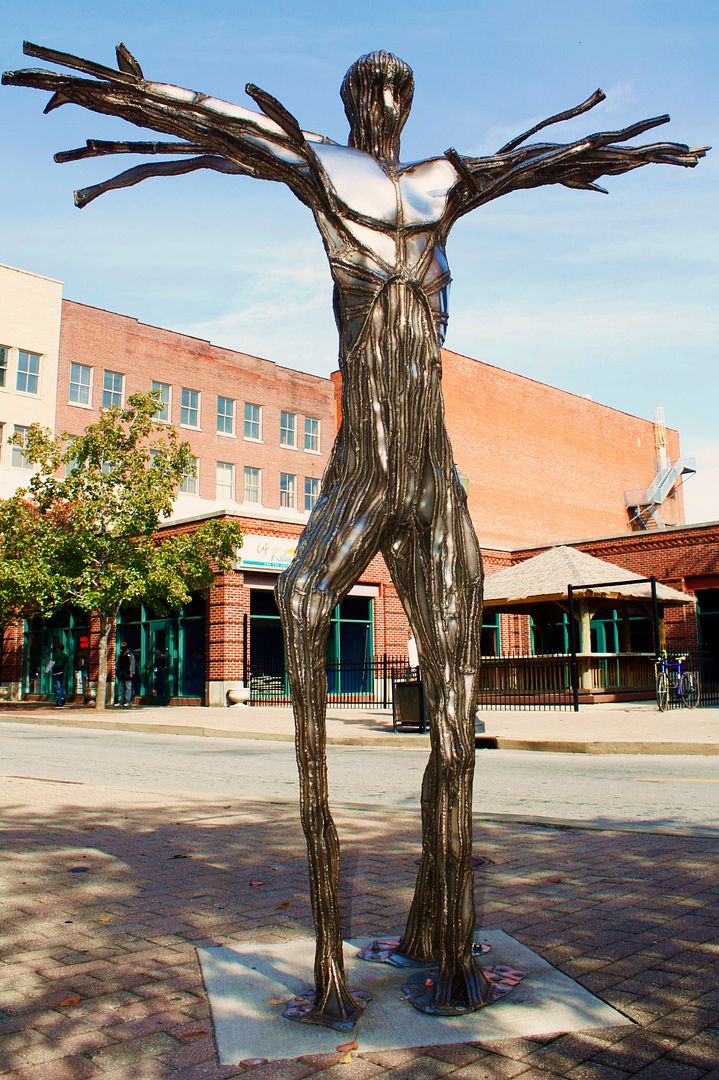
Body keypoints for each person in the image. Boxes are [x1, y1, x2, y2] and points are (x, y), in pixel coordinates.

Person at [3, 42, 707, 1026]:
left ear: (408, 100)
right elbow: (219, 123)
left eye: (394, 85)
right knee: (298, 608)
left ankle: (445, 937)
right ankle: (329, 963)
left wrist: (622, 146)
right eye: (367, 86)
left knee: (455, 718)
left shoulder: (443, 182)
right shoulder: (323, 169)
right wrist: (126, 91)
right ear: (348, 99)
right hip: (361, 470)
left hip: (433, 472)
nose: (381, 98)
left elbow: (537, 158)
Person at [114, 641, 135, 708]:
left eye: (124, 647)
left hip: (127, 673)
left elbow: (132, 664)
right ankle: (120, 701)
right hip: (121, 673)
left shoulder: (130, 655)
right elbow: (117, 664)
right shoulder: (120, 655)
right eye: (122, 648)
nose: (123, 649)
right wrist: (117, 671)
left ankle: (127, 701)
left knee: (128, 688)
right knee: (120, 688)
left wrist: (131, 672)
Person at [50, 638, 66, 707]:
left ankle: (59, 701)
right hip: (62, 671)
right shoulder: (64, 655)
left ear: (58, 648)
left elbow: (51, 663)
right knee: (62, 686)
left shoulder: (56, 655)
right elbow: (66, 664)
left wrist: (46, 671)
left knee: (57, 686)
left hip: (56, 672)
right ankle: (63, 699)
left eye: (56, 648)